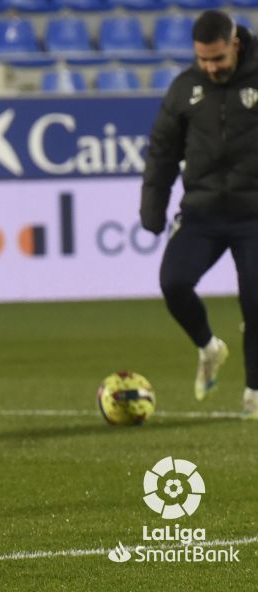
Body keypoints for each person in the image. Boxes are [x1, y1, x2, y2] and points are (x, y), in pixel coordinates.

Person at [141, 9, 258, 419]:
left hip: (253, 216)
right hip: (203, 211)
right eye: (203, 59)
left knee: (256, 301)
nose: (211, 68)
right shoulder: (184, 88)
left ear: (235, 45)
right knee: (173, 283)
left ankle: (254, 393)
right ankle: (209, 348)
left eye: (218, 59)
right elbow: (162, 153)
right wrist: (152, 210)